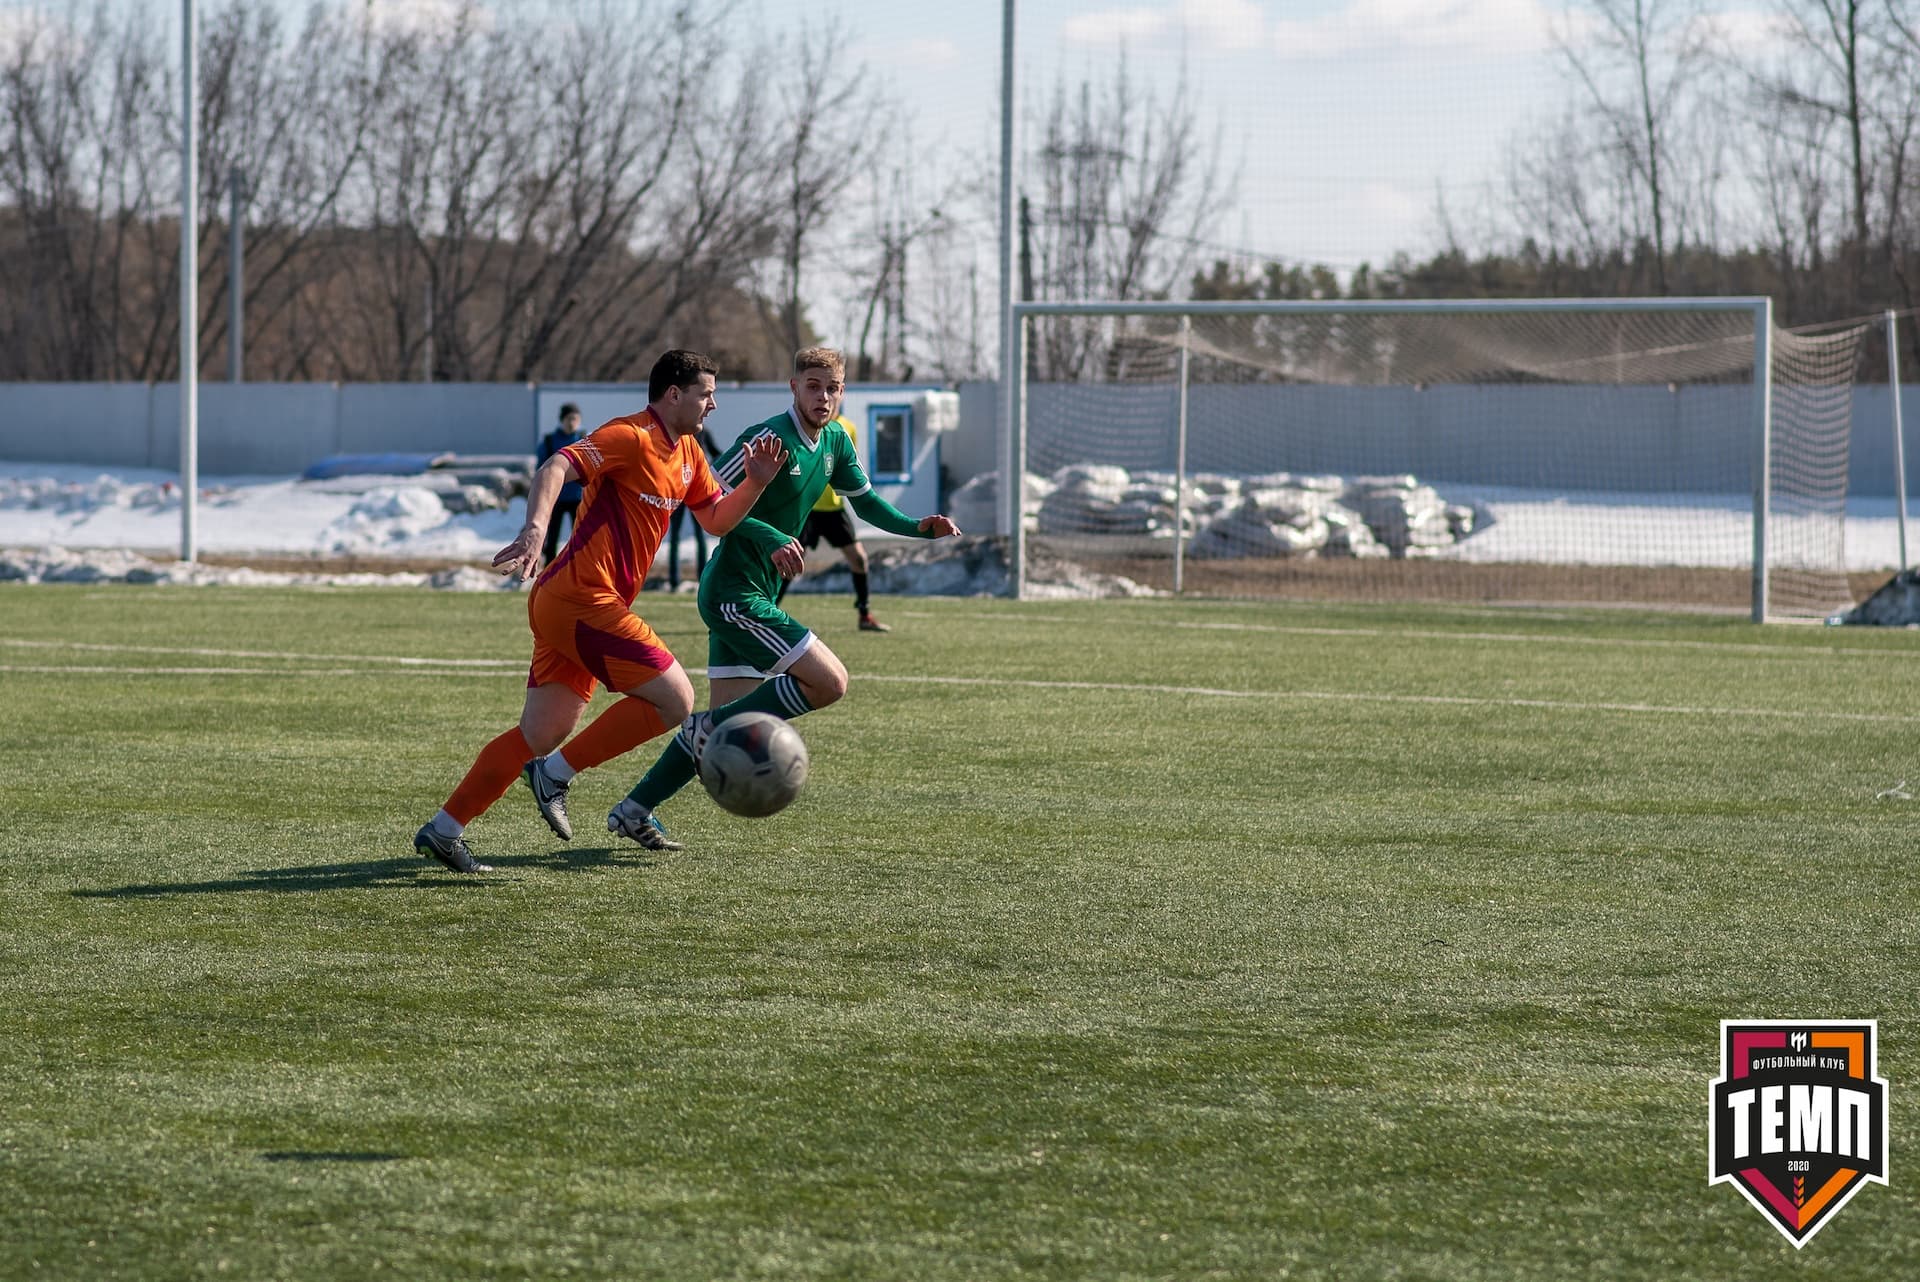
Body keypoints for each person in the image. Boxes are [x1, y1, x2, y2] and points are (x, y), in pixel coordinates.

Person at [413, 351, 788, 873]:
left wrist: (756, 482)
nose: (713, 403)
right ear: (673, 394)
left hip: (569, 605)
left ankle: (444, 830)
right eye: (706, 393)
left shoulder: (690, 454)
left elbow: (716, 520)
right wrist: (536, 530)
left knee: (539, 733)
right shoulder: (631, 436)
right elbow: (556, 466)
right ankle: (555, 776)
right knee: (676, 699)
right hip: (582, 597)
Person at [599, 347, 961, 851]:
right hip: (732, 593)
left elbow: (868, 504)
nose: (823, 396)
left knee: (719, 735)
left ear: (842, 393)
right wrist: (770, 536)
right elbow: (710, 503)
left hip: (756, 591)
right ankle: (691, 737)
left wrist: (918, 528)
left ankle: (634, 809)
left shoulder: (834, 439)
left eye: (832, 388)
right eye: (813, 386)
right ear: (794, 387)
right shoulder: (767, 440)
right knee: (829, 682)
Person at [776, 412, 891, 631]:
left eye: (833, 389)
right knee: (790, 563)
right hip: (807, 508)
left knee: (859, 558)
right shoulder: (803, 427)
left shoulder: (847, 428)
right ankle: (766, 614)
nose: (826, 396)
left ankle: (864, 615)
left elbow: (849, 467)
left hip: (834, 510)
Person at [664, 423, 719, 590]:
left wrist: (709, 473)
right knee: (674, 535)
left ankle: (702, 576)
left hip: (697, 492)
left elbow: (718, 454)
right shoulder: (677, 434)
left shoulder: (704, 433)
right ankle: (674, 579)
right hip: (678, 491)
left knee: (699, 535)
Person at [536, 403, 587, 566]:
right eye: (569, 419)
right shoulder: (550, 441)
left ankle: (578, 569)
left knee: (580, 538)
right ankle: (548, 571)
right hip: (556, 496)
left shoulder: (583, 439)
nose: (572, 423)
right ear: (562, 420)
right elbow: (541, 468)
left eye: (576, 419)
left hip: (577, 497)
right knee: (552, 538)